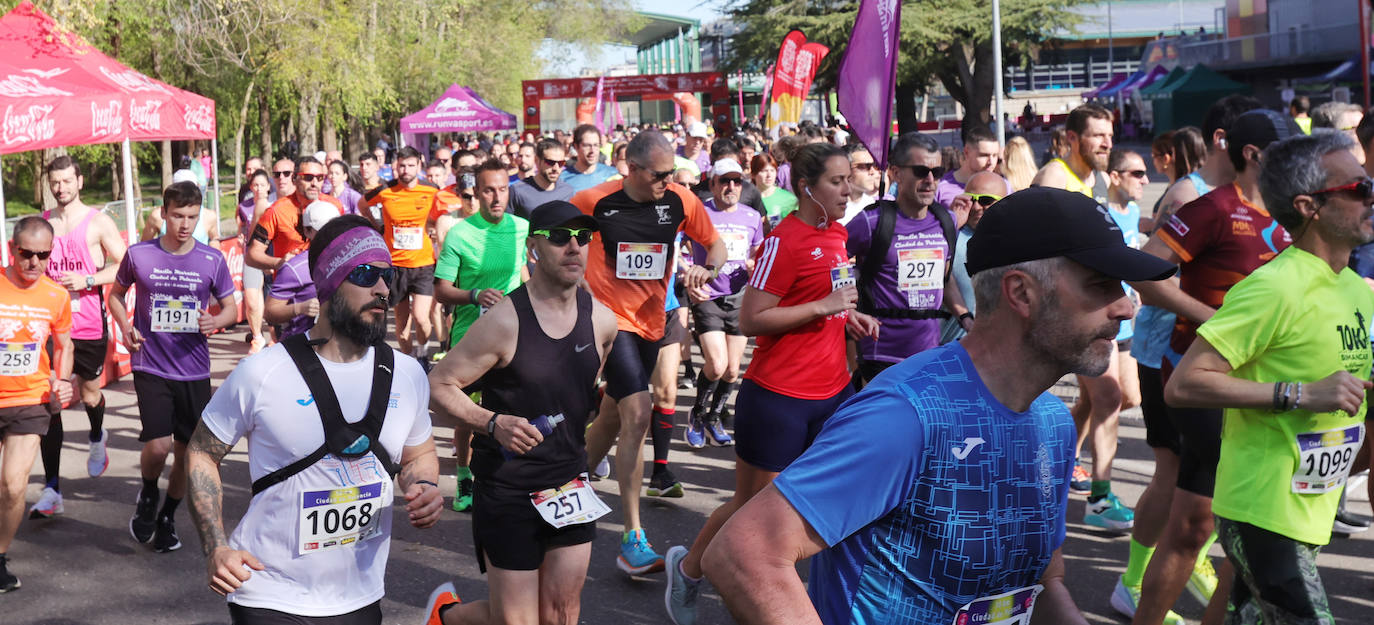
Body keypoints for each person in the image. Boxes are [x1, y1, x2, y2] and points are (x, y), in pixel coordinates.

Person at [691, 187, 1175, 625]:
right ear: (1021, 293)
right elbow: (743, 553)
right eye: (1101, 285)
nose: (1127, 307)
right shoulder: (906, 415)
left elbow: (1040, 585)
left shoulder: (1054, 424)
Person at [663, 143, 881, 625]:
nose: (850, 189)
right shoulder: (785, 239)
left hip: (834, 393)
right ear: (807, 188)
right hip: (779, 399)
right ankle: (690, 570)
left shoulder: (838, 233)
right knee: (753, 510)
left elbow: (828, 300)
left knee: (824, 507)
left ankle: (807, 600)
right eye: (838, 182)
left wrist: (849, 316)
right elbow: (753, 318)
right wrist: (824, 307)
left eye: (850, 179)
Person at [187, 215, 441, 624]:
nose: (381, 289)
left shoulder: (408, 375)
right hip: (269, 593)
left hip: (361, 594)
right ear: (328, 285)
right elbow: (201, 452)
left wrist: (424, 485)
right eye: (365, 274)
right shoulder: (263, 373)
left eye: (387, 276)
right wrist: (215, 545)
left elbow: (419, 454)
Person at [1167, 130, 1373, 625]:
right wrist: (1299, 394)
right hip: (1261, 509)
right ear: (1310, 207)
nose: (1371, 196)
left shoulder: (1356, 290)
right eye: (1358, 189)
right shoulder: (1273, 288)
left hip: (1311, 508)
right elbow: (1185, 383)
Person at [1127, 109, 1301, 625]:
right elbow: (1146, 274)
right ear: (1254, 155)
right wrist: (1213, 321)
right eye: (1285, 148)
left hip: (1263, 383)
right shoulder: (1214, 209)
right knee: (1220, 523)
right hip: (1201, 379)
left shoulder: (1295, 210)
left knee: (1214, 527)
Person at [424, 201, 617, 625]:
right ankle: (448, 617)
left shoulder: (603, 321)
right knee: (517, 621)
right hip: (509, 489)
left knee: (562, 614)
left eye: (583, 238)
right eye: (561, 237)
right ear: (534, 248)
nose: (574, 247)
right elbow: (438, 385)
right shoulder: (505, 321)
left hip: (567, 484)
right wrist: (491, 423)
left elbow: (583, 393)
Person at [575, 130, 724, 576]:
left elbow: (714, 244)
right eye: (660, 174)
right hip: (610, 323)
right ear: (631, 169)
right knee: (639, 412)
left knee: (613, 416)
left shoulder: (679, 200)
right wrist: (578, 294)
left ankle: (564, 481)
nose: (668, 181)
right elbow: (558, 246)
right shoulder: (592, 201)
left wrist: (705, 266)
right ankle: (632, 538)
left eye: (671, 173)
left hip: (655, 322)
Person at [108, 182, 239, 554]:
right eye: (178, 215)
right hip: (150, 360)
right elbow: (115, 295)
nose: (185, 224)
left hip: (193, 368)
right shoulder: (139, 254)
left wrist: (216, 321)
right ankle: (149, 492)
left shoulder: (211, 260)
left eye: (192, 217)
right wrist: (124, 325)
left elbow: (229, 307)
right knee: (159, 443)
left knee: (186, 451)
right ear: (163, 213)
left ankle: (168, 515)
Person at [1030, 103, 1137, 526]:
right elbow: (1038, 249)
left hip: (1099, 300)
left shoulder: (1091, 179)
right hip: (1068, 308)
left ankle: (1064, 461)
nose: (1106, 143)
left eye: (1109, 136)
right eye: (1097, 135)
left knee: (1126, 395)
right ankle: (1099, 499)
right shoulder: (1054, 180)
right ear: (1073, 138)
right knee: (1108, 396)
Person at [28, 156, 127, 521]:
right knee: (51, 398)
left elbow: (125, 264)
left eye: (67, 181)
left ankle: (97, 435)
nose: (61, 188)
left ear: (79, 181)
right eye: (55, 182)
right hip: (52, 328)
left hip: (89, 327)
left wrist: (88, 280)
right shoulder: (44, 223)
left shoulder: (97, 222)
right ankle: (52, 489)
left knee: (88, 392)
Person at [433, 159, 529, 512]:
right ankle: (463, 476)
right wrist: (474, 295)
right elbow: (441, 290)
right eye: (489, 190)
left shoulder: (522, 228)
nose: (497, 197)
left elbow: (522, 271)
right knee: (468, 412)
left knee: (516, 403)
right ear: (476, 192)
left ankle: (514, 476)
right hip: (470, 334)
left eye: (503, 189)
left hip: (513, 333)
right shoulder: (460, 233)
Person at [846, 132, 970, 386]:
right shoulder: (872, 222)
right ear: (896, 173)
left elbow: (944, 280)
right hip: (880, 353)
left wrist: (965, 317)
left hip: (927, 352)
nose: (930, 180)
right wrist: (845, 310)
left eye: (937, 172)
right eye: (921, 170)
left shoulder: (944, 221)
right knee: (882, 426)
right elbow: (830, 260)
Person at [0, 217, 74, 592]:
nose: (33, 262)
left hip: (30, 399)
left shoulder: (56, 296)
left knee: (13, 486)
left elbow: (64, 346)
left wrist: (61, 380)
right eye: (26, 253)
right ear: (12, 249)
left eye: (42, 255)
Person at [681, 159, 764, 448]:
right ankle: (697, 414)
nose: (731, 187)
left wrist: (755, 266)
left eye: (737, 181)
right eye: (725, 181)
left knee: (731, 370)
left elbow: (758, 253)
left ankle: (713, 417)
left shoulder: (752, 216)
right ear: (713, 184)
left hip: (739, 297)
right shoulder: (699, 213)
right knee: (716, 366)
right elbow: (675, 247)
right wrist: (687, 274)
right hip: (708, 296)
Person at [362, 146, 445, 359]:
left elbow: (443, 212)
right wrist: (378, 226)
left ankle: (423, 352)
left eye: (410, 165)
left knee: (421, 316)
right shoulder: (385, 190)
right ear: (395, 167)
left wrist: (435, 227)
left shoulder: (431, 189)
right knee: (401, 323)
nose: (406, 170)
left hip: (423, 263)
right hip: (395, 266)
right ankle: (408, 360)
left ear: (419, 165)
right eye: (402, 166)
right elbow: (362, 204)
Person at [1151, 96, 1261, 238]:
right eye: (1256, 141)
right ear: (1221, 139)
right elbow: (1155, 257)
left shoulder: (1259, 189)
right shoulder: (1187, 196)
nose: (1262, 151)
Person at [938, 171, 1007, 345]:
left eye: (985, 201)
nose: (976, 207)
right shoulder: (948, 236)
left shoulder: (1013, 241)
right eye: (970, 199)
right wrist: (951, 223)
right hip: (949, 348)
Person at [246, 156, 345, 273]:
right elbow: (251, 256)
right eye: (308, 178)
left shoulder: (334, 206)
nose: (314, 183)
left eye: (320, 178)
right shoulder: (276, 211)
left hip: (326, 281)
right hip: (292, 286)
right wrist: (278, 263)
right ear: (294, 179)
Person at [263, 200, 339, 341]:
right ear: (307, 231)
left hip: (340, 348)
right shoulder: (295, 269)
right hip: (302, 347)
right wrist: (300, 308)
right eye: (323, 230)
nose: (331, 235)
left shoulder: (350, 261)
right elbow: (269, 312)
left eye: (335, 229)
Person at [238, 170, 275, 355]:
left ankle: (275, 338)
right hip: (251, 257)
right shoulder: (244, 206)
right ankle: (257, 337)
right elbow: (241, 228)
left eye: (262, 184)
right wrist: (241, 237)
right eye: (255, 185)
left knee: (271, 300)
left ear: (269, 186)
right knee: (252, 300)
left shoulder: (275, 204)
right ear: (251, 187)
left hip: (271, 255)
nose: (259, 188)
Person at [936, 125, 1012, 208]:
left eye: (995, 155)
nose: (991, 162)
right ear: (967, 152)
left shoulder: (1004, 186)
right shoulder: (941, 187)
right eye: (984, 155)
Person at [508, 139, 575, 219]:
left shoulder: (567, 191)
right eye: (550, 162)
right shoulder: (517, 191)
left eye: (561, 163)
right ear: (537, 161)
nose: (556, 168)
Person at [561, 125, 618, 192]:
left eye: (596, 145)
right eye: (587, 145)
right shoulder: (563, 179)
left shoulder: (612, 174)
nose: (592, 151)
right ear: (576, 146)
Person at [752, 154, 797, 231]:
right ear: (753, 174)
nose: (769, 175)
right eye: (764, 171)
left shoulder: (789, 199)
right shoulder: (745, 198)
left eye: (772, 170)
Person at [841, 143, 880, 223]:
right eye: (863, 166)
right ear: (845, 169)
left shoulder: (873, 206)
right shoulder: (829, 208)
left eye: (874, 165)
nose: (872, 171)